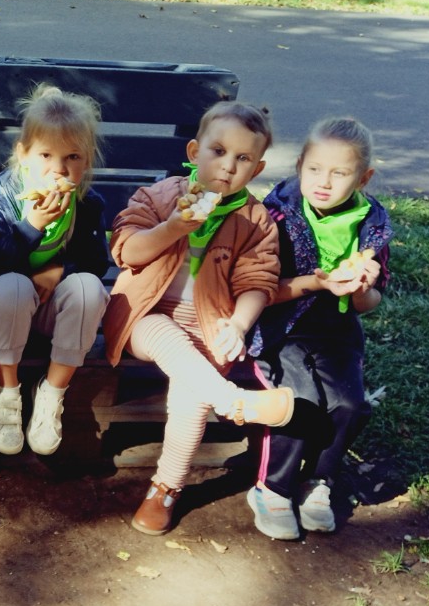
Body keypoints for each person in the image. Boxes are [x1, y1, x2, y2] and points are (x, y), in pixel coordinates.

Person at [101, 101, 297, 535]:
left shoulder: (255, 220)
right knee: (161, 331)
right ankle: (231, 400)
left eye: (243, 159)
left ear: (257, 168)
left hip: (208, 322)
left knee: (192, 392)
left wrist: (239, 323)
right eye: (219, 151)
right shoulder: (159, 196)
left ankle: (166, 488)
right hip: (143, 312)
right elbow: (126, 250)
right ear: (194, 151)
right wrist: (172, 228)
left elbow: (258, 281)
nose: (228, 166)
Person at [246, 117, 393, 539]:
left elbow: (371, 301)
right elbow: (259, 289)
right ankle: (272, 488)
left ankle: (318, 480)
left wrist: (361, 287)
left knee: (349, 405)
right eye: (314, 169)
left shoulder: (372, 224)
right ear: (299, 165)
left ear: (363, 178)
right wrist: (318, 282)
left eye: (340, 173)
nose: (324, 182)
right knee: (301, 400)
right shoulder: (275, 215)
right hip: (279, 328)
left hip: (336, 329)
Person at [0, 84, 110, 457]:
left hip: (52, 314)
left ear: (87, 160)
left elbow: (96, 263)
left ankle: (52, 394)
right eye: (46, 155)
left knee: (88, 288)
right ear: (23, 154)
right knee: (13, 286)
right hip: (4, 310)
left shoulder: (87, 202)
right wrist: (31, 226)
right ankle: (6, 394)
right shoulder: (2, 195)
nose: (59, 169)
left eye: (72, 157)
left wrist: (60, 269)